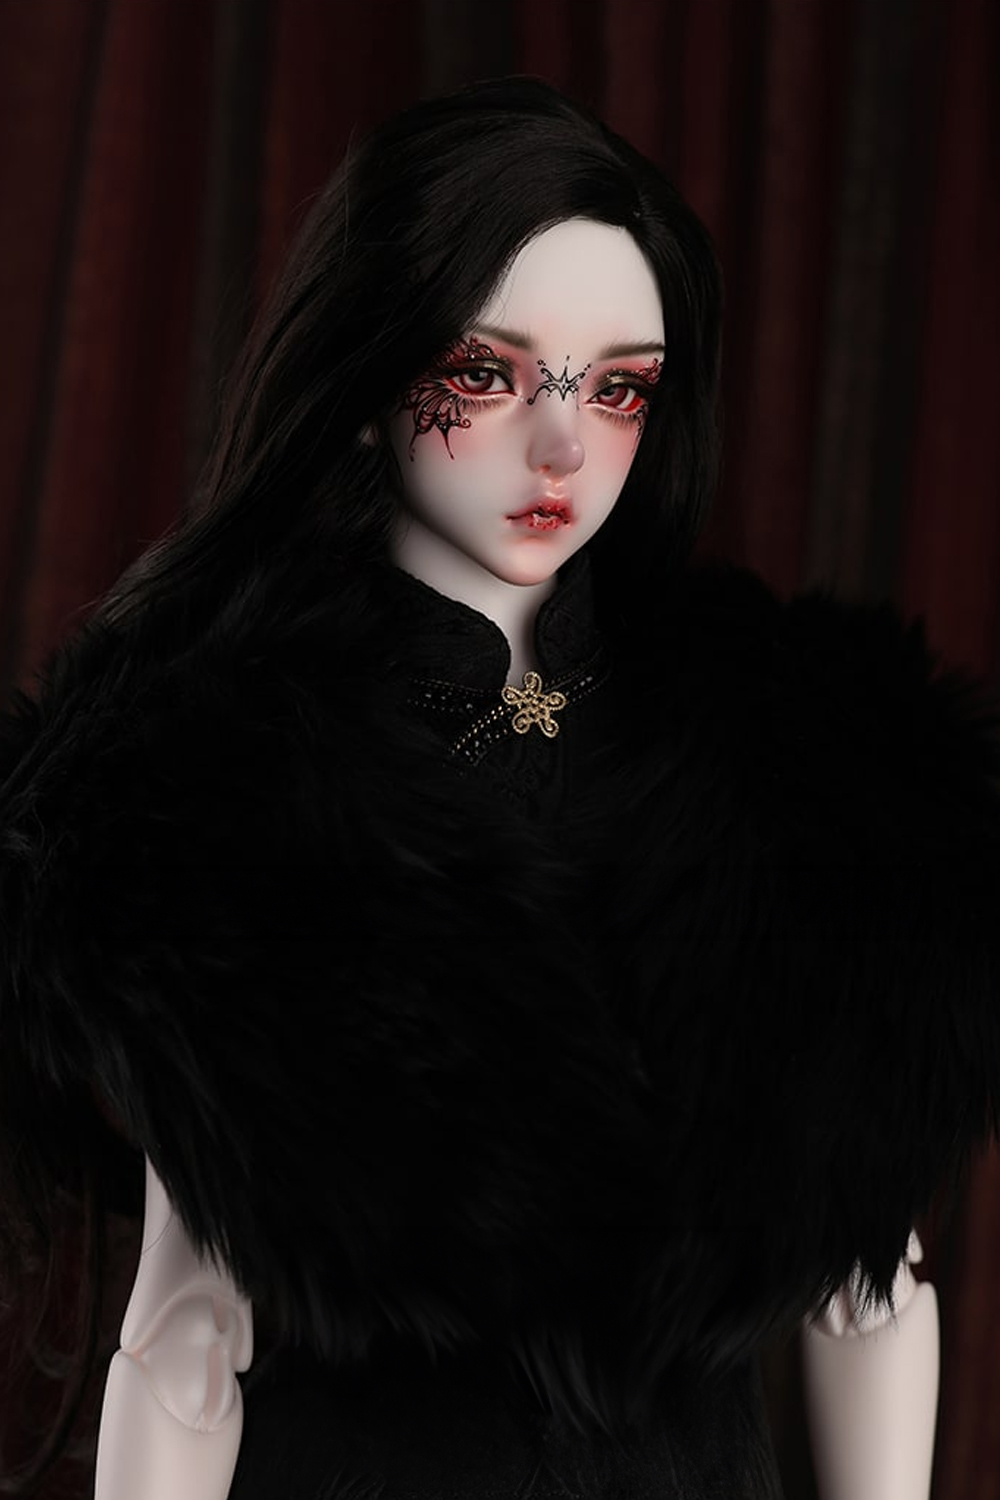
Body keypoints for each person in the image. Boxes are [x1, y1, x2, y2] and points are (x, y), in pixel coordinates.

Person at [0, 76, 996, 1500]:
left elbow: (873, 1287)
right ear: (367, 377)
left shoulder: (801, 774)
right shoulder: (211, 794)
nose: (563, 445)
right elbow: (186, 1333)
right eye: (487, 372)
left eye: (618, 387)